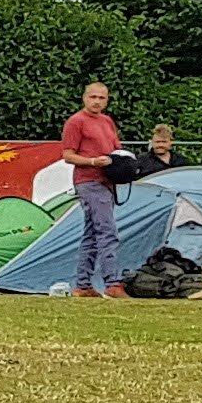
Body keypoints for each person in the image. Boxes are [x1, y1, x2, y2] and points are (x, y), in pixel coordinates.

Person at [62, 80, 128, 301]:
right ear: (84, 97)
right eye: (93, 97)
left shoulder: (107, 121)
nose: (97, 101)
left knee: (92, 234)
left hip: (107, 182)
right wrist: (92, 162)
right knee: (107, 231)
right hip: (88, 181)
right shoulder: (76, 122)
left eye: (102, 98)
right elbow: (68, 155)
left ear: (107, 100)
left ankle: (82, 285)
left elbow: (116, 150)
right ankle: (112, 282)